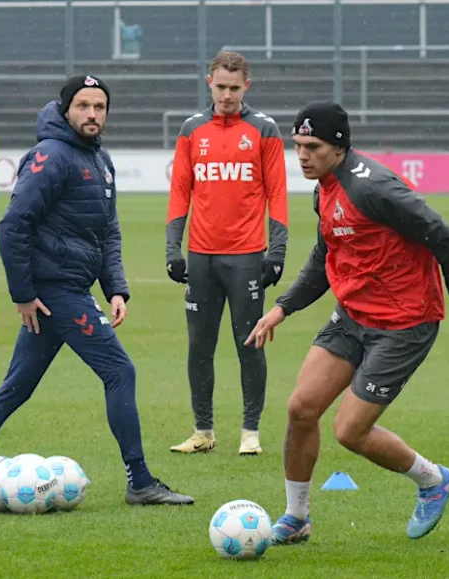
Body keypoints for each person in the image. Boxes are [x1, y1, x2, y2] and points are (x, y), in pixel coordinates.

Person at [244, 101, 449, 542]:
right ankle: (297, 517)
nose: (302, 155)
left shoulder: (374, 188)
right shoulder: (323, 188)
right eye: (298, 145)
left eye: (313, 146)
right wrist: (282, 308)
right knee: (300, 409)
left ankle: (434, 481)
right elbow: (326, 255)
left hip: (404, 322)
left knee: (350, 431)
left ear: (339, 147)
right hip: (353, 316)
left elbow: (441, 232)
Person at [0, 74, 194, 506]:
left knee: (16, 388)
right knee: (120, 371)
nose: (92, 114)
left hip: (66, 290)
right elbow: (13, 225)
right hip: (57, 291)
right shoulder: (50, 156)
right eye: (83, 106)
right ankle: (139, 482)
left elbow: (107, 231)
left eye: (99, 107)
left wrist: (115, 286)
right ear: (66, 109)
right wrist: (23, 294)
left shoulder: (100, 160)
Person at [165, 50, 289, 456]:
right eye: (221, 86)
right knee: (199, 346)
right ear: (209, 83)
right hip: (200, 259)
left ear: (246, 86)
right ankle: (203, 432)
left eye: (235, 88)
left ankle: (249, 432)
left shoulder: (264, 130)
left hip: (246, 258)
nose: (227, 95)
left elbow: (278, 194)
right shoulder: (191, 130)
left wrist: (277, 253)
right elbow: (180, 192)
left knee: (248, 344)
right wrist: (173, 248)